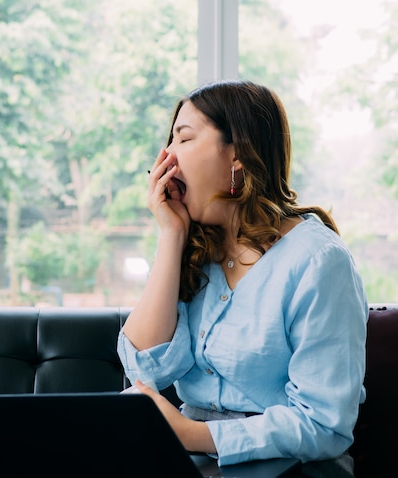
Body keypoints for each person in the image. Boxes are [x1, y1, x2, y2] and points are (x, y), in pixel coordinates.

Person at [116, 79, 367, 477]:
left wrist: (191, 434)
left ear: (238, 154)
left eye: (184, 138)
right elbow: (146, 371)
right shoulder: (193, 247)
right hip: (190, 458)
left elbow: (323, 425)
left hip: (293, 466)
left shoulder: (319, 260)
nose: (166, 156)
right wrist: (171, 235)